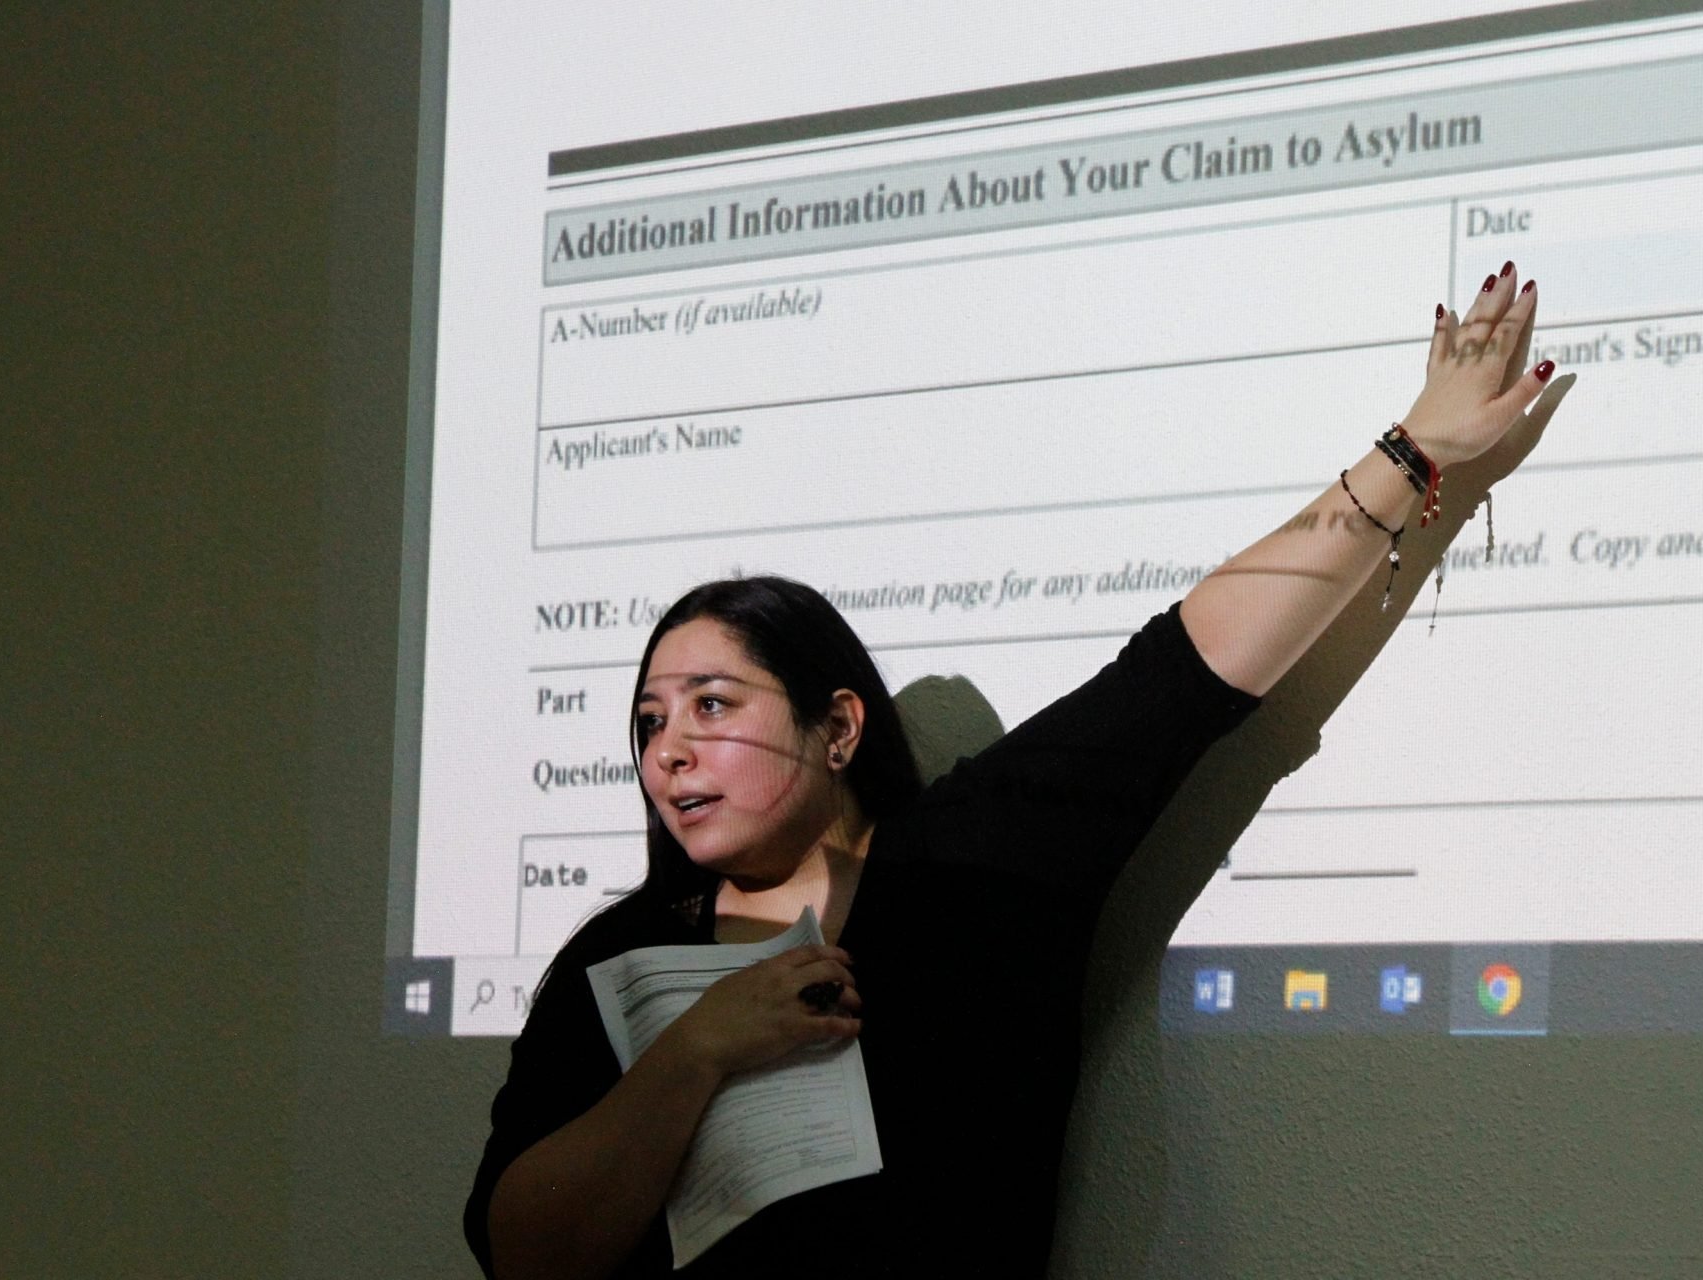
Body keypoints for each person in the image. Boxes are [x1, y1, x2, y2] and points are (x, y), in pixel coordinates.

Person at [466, 265, 1572, 1279]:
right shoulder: (614, 957)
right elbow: (521, 1252)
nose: (668, 746)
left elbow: (1187, 665)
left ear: (837, 726)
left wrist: (1413, 450)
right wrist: (693, 1052)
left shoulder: (975, 864)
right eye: (650, 718)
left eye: (713, 705)